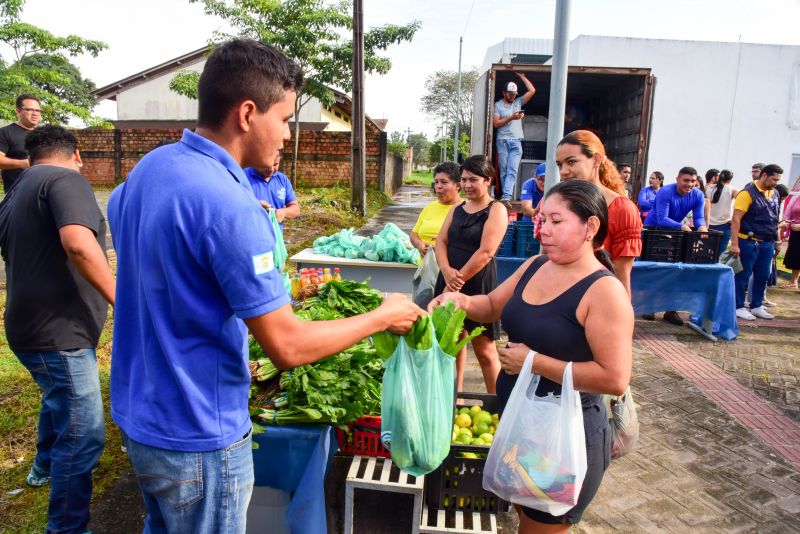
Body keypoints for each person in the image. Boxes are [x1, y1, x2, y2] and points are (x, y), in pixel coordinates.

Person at [107, 39, 422, 533]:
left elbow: (146, 249)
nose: (289, 134)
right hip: (200, 438)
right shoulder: (232, 206)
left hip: (140, 421)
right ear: (248, 113)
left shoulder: (150, 168)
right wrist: (383, 315)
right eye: (286, 117)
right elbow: (288, 346)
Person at [430, 179, 633, 533]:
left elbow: (614, 378)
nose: (543, 230)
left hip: (564, 435)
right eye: (543, 220)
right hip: (523, 422)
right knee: (526, 519)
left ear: (591, 227)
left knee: (541, 527)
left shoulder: (604, 291)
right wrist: (459, 301)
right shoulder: (537, 265)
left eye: (557, 221)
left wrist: (533, 362)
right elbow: (493, 305)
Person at [0, 125, 115, 534]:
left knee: (57, 398)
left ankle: (42, 468)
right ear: (77, 154)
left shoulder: (16, 191)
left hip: (26, 326)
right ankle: (67, 528)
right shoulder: (66, 179)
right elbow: (79, 244)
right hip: (58, 334)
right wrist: (123, 298)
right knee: (84, 435)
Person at [434, 155, 507, 393]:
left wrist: (457, 280)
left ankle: (497, 406)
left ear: (488, 180)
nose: (466, 185)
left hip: (478, 284)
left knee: (484, 349)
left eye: (473, 180)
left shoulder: (496, 210)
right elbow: (441, 242)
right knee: (450, 344)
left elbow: (486, 252)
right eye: (464, 179)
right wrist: (446, 271)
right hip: (447, 279)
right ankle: (453, 397)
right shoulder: (457, 208)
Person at [555, 130, 642, 297]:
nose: (563, 171)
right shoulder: (557, 203)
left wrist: (621, 319)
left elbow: (622, 276)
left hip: (598, 303)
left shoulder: (622, 209)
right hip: (558, 299)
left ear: (596, 160)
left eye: (571, 162)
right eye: (560, 165)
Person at [643, 167, 707, 324]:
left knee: (676, 271)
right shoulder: (665, 192)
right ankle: (649, 306)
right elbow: (661, 218)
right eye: (686, 180)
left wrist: (702, 228)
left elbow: (699, 218)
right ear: (678, 179)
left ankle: (671, 310)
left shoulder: (698, 195)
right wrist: (681, 227)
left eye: (693, 181)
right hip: (654, 231)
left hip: (676, 234)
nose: (690, 184)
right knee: (655, 270)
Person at [729, 164, 783, 320]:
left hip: (767, 242)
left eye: (778, 180)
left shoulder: (775, 193)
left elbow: (775, 218)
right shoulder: (747, 193)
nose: (775, 183)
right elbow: (736, 219)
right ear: (764, 175)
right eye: (773, 179)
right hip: (749, 241)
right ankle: (738, 305)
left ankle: (757, 304)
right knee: (743, 274)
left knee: (763, 274)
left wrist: (777, 239)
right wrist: (734, 243)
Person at [493, 72, 536, 206]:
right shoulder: (498, 105)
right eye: (510, 94)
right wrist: (511, 118)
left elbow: (532, 90)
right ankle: (504, 195)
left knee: (512, 169)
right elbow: (496, 124)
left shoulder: (518, 102)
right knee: (504, 169)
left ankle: (507, 196)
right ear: (504, 93)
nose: (513, 96)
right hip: (503, 141)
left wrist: (522, 76)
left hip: (517, 141)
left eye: (514, 94)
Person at [410, 161, 462, 255]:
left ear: (458, 186)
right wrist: (419, 245)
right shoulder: (430, 207)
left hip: (449, 268)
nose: (438, 186)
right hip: (425, 267)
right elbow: (414, 234)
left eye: (444, 182)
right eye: (436, 182)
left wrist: (443, 246)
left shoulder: (465, 210)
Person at [244, 150, 299, 231]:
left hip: (275, 237)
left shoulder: (282, 179)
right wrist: (255, 204)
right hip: (251, 235)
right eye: (267, 165)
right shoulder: (243, 176)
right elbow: (231, 206)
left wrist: (284, 212)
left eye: (276, 165)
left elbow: (295, 208)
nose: (272, 169)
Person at [0, 94, 41, 192]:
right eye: (30, 110)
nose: (35, 113)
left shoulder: (43, 134)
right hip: (17, 192)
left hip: (42, 190)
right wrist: (25, 163)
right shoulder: (5, 132)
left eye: (38, 110)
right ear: (18, 111)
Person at [705, 169, 737, 257]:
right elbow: (742, 203)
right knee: (720, 254)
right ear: (730, 179)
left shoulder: (708, 187)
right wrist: (734, 217)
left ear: (718, 177)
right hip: (724, 225)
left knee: (705, 252)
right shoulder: (732, 189)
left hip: (707, 225)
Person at [780, 189, 800, 289]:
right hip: (795, 232)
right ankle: (794, 281)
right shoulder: (796, 198)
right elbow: (788, 214)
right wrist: (786, 224)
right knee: (795, 256)